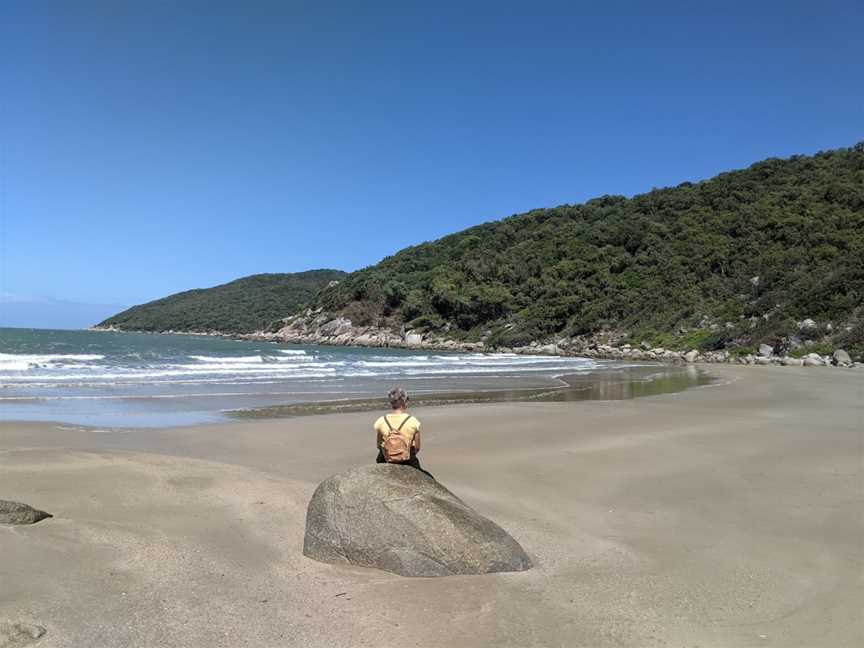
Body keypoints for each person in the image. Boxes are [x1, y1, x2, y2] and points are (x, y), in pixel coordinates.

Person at [374, 387, 433, 478]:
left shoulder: (381, 421)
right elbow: (417, 448)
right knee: (428, 478)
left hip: (386, 459)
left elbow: (378, 445)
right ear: (404, 401)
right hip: (407, 460)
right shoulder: (413, 421)